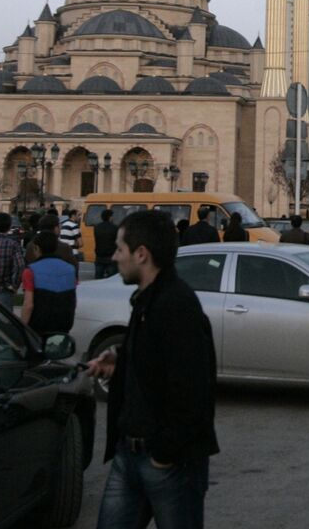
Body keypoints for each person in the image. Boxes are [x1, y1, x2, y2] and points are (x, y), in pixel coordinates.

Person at [85, 210, 218, 528]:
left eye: (120, 248)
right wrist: (121, 360)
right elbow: (160, 360)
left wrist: (165, 453)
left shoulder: (176, 305)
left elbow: (194, 389)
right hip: (129, 454)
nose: (115, 257)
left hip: (167, 461)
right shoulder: (148, 300)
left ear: (141, 254)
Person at [20, 231, 78, 335]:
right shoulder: (70, 269)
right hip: (64, 324)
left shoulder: (30, 271)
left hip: (38, 326)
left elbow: (28, 305)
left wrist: (21, 329)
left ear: (36, 248)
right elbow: (73, 300)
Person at [93, 208, 120, 279]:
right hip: (111, 256)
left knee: (98, 278)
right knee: (111, 279)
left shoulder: (97, 227)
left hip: (99, 256)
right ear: (110, 217)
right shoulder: (115, 228)